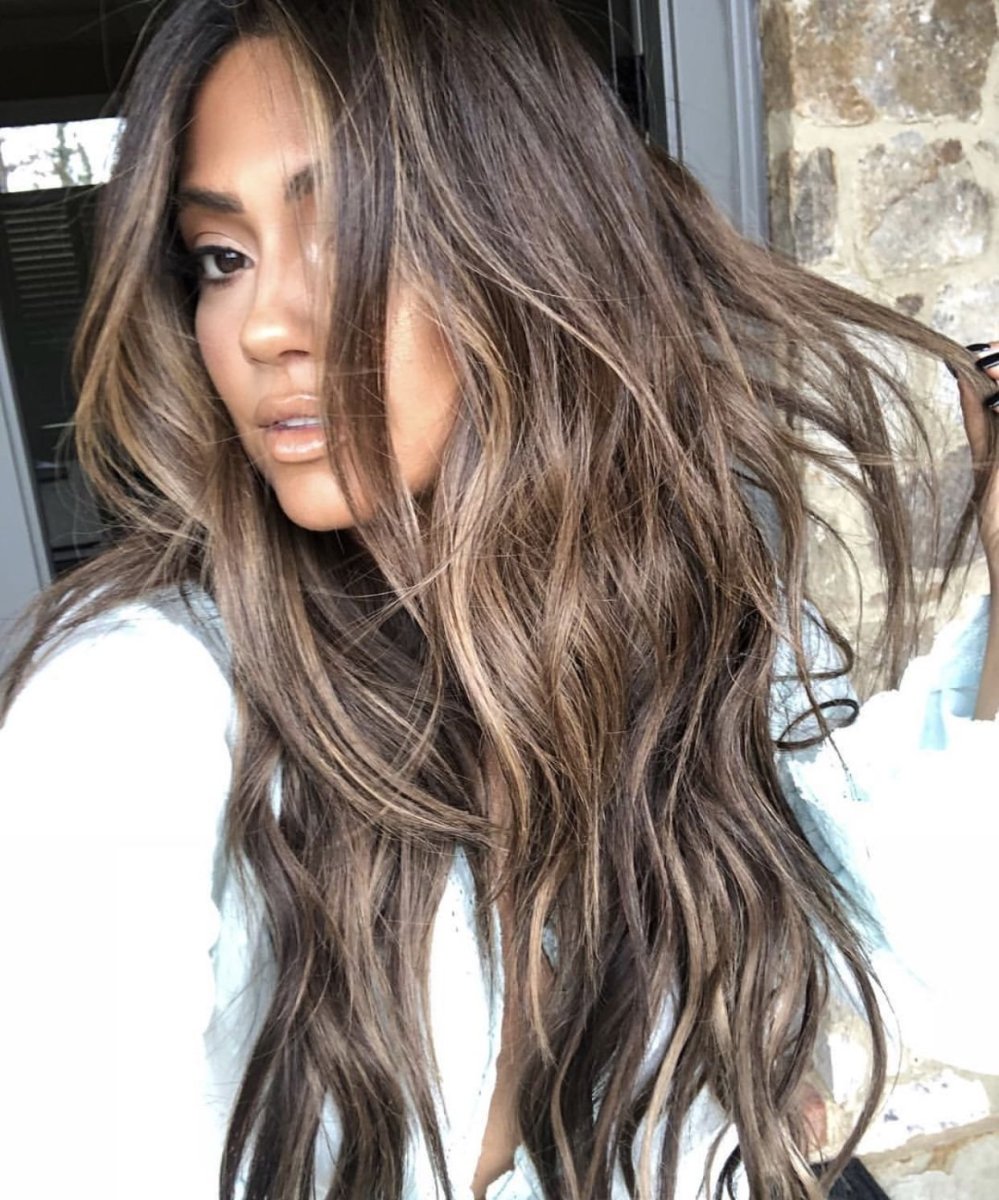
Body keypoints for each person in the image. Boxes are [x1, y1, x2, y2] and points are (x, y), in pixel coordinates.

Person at [0, 2, 996, 1198]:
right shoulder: (127, 718)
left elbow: (954, 951)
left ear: (522, 240)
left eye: (342, 230)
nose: (261, 325)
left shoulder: (676, 621)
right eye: (223, 256)